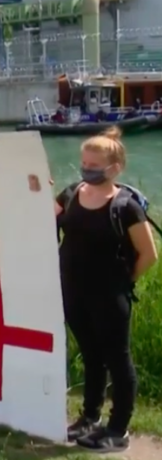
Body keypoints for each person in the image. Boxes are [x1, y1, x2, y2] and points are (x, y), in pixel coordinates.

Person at [57, 126, 158, 453]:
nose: (87, 169)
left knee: (118, 359)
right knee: (91, 356)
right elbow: (40, 220)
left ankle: (118, 428)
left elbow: (148, 254)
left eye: (94, 165)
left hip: (110, 296)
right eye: (83, 162)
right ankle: (89, 417)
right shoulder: (71, 195)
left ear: (115, 168)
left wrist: (123, 282)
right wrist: (33, 188)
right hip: (74, 292)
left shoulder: (126, 206)